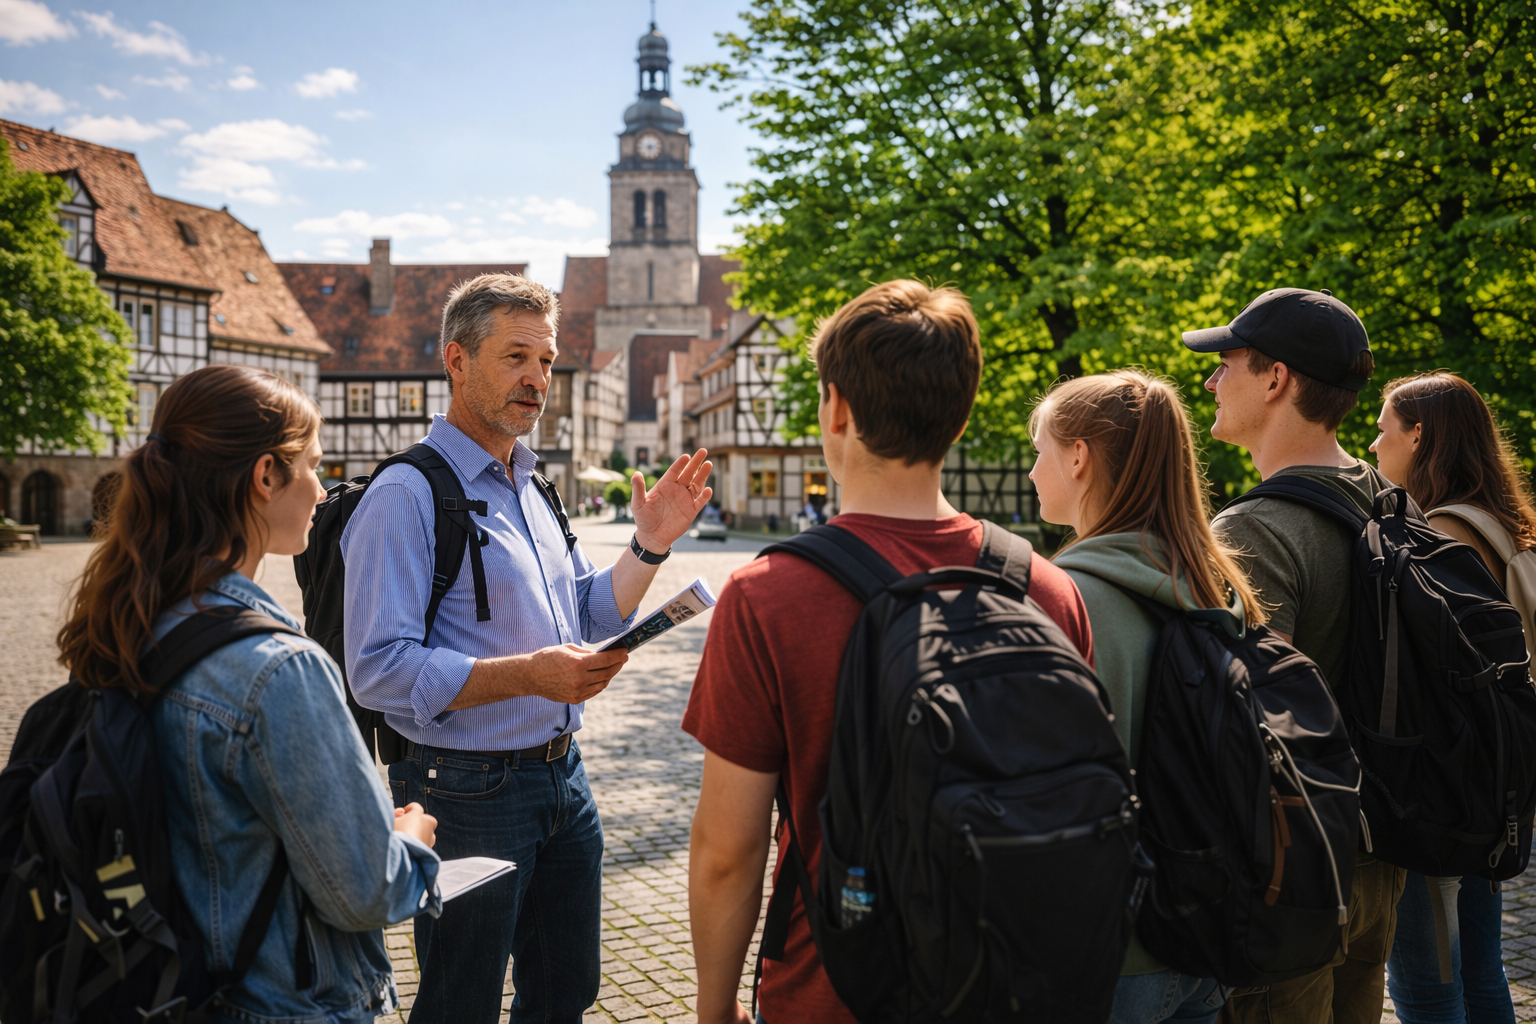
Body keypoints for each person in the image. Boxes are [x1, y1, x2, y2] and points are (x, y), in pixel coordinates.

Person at [682, 280, 1095, 1024]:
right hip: (1009, 982)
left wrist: (715, 1011)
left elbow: (727, 850)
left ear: (836, 409)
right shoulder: (1050, 590)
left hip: (834, 987)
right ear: (961, 412)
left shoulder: (766, 596)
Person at [342, 273, 713, 1024]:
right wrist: (529, 676)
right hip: (462, 791)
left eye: (544, 362)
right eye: (516, 357)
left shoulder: (532, 486)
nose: (537, 380)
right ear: (456, 359)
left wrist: (648, 546)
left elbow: (586, 608)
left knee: (564, 990)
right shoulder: (407, 495)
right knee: (461, 1001)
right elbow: (377, 667)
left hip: (562, 782)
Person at [55, 364, 441, 1023]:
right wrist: (410, 841)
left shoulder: (126, 621)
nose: (322, 491)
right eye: (314, 467)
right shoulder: (277, 670)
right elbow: (364, 893)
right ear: (265, 476)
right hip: (279, 1003)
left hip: (163, 989)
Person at [1183, 287, 1407, 1024]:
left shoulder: (1253, 532)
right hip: (1378, 856)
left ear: (1275, 379)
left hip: (1294, 872)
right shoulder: (1387, 499)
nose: (1211, 382)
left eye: (1226, 364)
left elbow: (1240, 725)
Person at [1029, 369, 1267, 1024]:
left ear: (1077, 457)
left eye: (1039, 449)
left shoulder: (1065, 598)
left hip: (1110, 949)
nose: (1031, 471)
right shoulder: (1213, 582)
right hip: (1204, 931)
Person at [1369, 372, 1536, 1023]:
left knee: (1426, 985)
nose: (1375, 446)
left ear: (1419, 434)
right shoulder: (1504, 524)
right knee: (1482, 968)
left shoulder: (1441, 534)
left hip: (1441, 786)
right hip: (1493, 777)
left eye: (1384, 430)